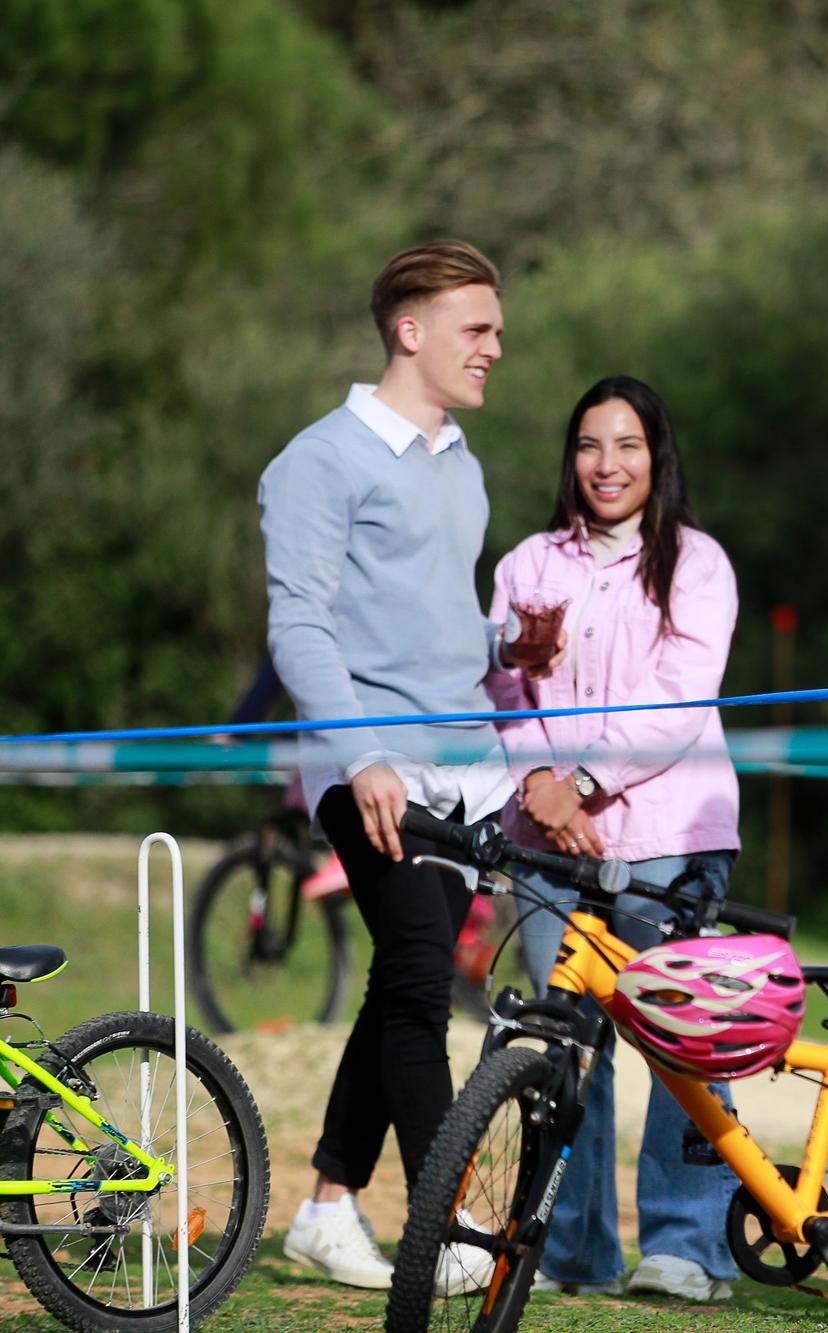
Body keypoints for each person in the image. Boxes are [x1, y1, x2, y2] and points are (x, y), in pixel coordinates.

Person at [258, 239, 513, 1295]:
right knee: (416, 983)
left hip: (462, 774)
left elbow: (437, 621)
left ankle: (325, 1206)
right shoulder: (317, 461)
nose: (496, 349)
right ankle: (441, 1226)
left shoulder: (463, 465)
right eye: (478, 330)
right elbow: (300, 622)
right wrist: (361, 753)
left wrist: (510, 656)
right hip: (368, 768)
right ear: (410, 332)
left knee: (400, 982)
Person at [484, 375, 742, 1303]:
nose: (607, 464)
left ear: (656, 455)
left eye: (627, 445)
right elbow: (502, 688)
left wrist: (582, 782)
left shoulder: (697, 564)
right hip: (547, 845)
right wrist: (540, 790)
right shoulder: (527, 565)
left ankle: (688, 1246)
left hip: (672, 834)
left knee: (681, 1039)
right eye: (591, 445)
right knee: (563, 1043)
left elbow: (681, 701)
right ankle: (568, 1251)